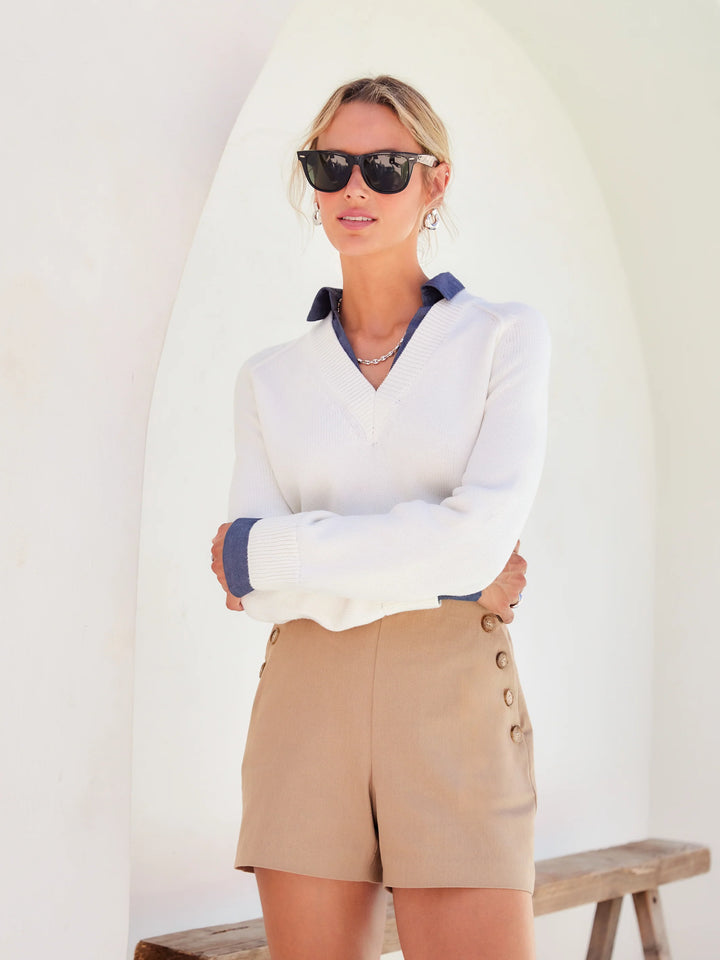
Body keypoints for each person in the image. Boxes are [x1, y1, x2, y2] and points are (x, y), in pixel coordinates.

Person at [210, 75, 550, 960]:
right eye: (331, 166)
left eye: (386, 166)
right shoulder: (269, 379)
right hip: (305, 698)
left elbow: (476, 539)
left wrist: (277, 553)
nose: (354, 188)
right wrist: (445, 572)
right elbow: (251, 591)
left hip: (452, 697)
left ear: (435, 181)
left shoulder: (503, 338)